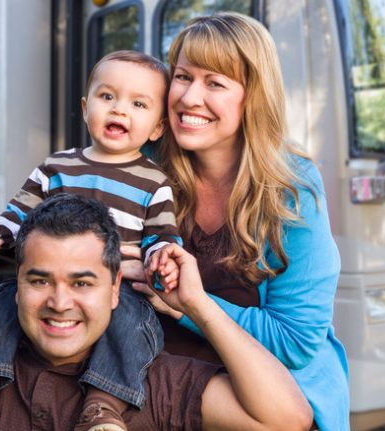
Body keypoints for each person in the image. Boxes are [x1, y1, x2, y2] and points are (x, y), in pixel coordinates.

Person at [0, 193, 313, 430]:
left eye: (82, 282)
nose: (60, 302)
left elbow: (286, 418)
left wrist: (198, 306)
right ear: (16, 283)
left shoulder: (150, 381)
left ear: (117, 288)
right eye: (40, 280)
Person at [0, 51, 182, 431]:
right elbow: (15, 218)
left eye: (138, 104)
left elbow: (162, 239)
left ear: (157, 128)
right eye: (107, 97)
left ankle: (104, 407)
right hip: (50, 282)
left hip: (118, 290)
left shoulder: (154, 183)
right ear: (85, 106)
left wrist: (160, 260)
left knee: (135, 322)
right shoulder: (56, 168)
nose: (119, 110)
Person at [125, 13, 349, 431]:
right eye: (182, 77)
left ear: (253, 97)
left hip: (259, 405)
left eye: (215, 83)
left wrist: (187, 305)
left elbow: (295, 341)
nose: (190, 98)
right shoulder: (142, 167)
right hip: (155, 388)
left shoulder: (291, 188)